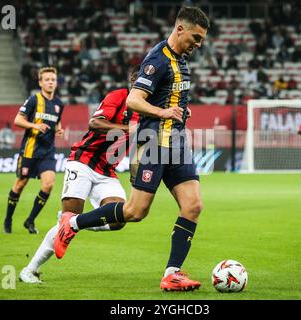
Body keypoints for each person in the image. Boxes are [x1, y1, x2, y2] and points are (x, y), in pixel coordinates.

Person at [54, 6, 209, 292]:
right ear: (180, 29)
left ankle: (172, 274)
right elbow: (134, 101)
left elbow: (170, 100)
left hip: (176, 144)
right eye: (196, 37)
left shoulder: (181, 62)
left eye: (201, 40)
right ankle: (73, 224)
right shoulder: (157, 60)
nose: (198, 44)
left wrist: (179, 113)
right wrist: (163, 114)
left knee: (193, 205)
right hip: (153, 144)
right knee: (136, 211)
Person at [19, 69, 140, 283]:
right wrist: (128, 129)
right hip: (83, 161)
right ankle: (30, 270)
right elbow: (95, 123)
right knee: (65, 226)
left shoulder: (146, 110)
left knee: (120, 217)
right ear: (133, 82)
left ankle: (74, 221)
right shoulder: (118, 96)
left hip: (106, 171)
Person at [3, 67, 64, 234]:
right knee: (20, 184)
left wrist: (59, 129)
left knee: (48, 185)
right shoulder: (33, 100)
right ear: (40, 82)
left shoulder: (59, 104)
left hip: (48, 152)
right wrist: (35, 125)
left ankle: (30, 220)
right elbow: (17, 120)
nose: (50, 82)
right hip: (30, 150)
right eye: (47, 79)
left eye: (53, 79)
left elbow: (57, 121)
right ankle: (8, 220)